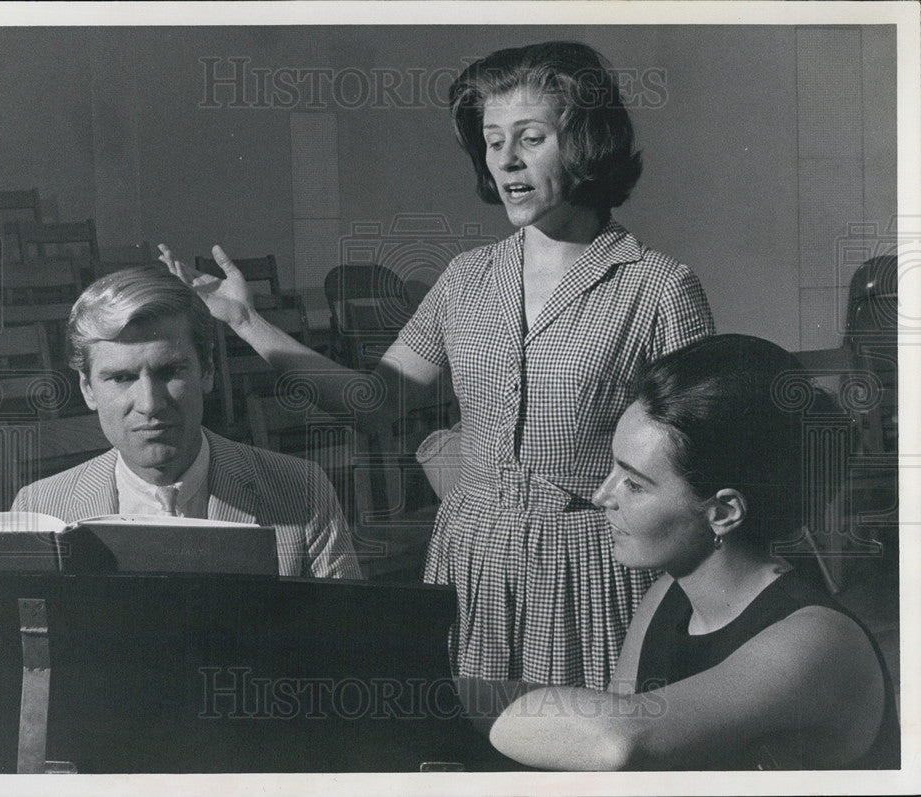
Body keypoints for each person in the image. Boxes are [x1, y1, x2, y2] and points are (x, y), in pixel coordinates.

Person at [159, 41, 714, 688]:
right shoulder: (465, 279)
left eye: (531, 138)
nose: (505, 159)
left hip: (596, 570)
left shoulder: (659, 287)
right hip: (469, 562)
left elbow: (701, 460)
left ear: (587, 143)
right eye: (492, 140)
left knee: (585, 760)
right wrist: (244, 321)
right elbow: (372, 405)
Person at [485, 335, 900, 770]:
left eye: (635, 483)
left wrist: (455, 697)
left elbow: (616, 742)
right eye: (613, 470)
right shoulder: (667, 594)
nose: (600, 495)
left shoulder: (818, 642)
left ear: (722, 512)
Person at [11, 265, 362, 580]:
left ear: (207, 371)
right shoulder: (40, 509)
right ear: (88, 389)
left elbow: (345, 645)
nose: (150, 404)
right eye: (120, 378)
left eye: (170, 372)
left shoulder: (302, 491)